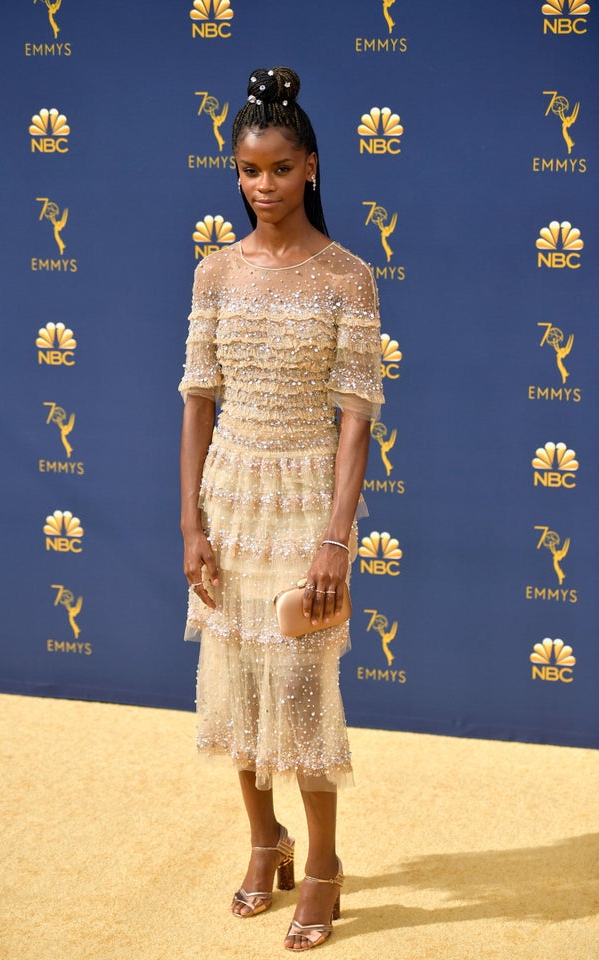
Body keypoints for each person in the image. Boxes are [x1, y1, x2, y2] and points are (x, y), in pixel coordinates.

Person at [179, 66, 384, 951]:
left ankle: (328, 870)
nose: (263, 186)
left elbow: (357, 422)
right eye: (248, 170)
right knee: (238, 683)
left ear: (312, 167)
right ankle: (266, 842)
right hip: (228, 498)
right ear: (236, 171)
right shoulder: (215, 273)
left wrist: (335, 539)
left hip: (306, 504)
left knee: (301, 691)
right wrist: (191, 525)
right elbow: (197, 401)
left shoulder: (349, 277)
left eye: (279, 168)